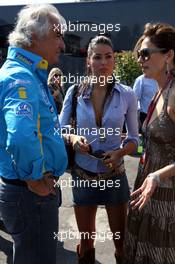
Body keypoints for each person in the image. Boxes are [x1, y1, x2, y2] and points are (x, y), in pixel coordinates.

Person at [0, 4, 83, 264]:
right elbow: (22, 136)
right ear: (34, 36)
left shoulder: (30, 74)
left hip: (30, 193)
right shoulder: (21, 78)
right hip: (31, 194)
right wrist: (36, 179)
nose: (63, 44)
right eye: (58, 35)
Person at [60, 35, 139, 264]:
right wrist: (73, 137)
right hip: (83, 175)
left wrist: (120, 153)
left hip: (115, 176)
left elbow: (134, 139)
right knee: (86, 244)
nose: (103, 63)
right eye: (97, 57)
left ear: (114, 60)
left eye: (108, 57)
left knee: (121, 243)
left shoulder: (127, 94)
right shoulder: (74, 92)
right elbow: (60, 129)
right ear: (88, 61)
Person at [123, 22, 175, 264]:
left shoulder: (174, 94)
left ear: (169, 55)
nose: (140, 59)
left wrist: (157, 176)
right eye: (138, 54)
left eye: (145, 53)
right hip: (148, 190)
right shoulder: (158, 90)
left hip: (167, 196)